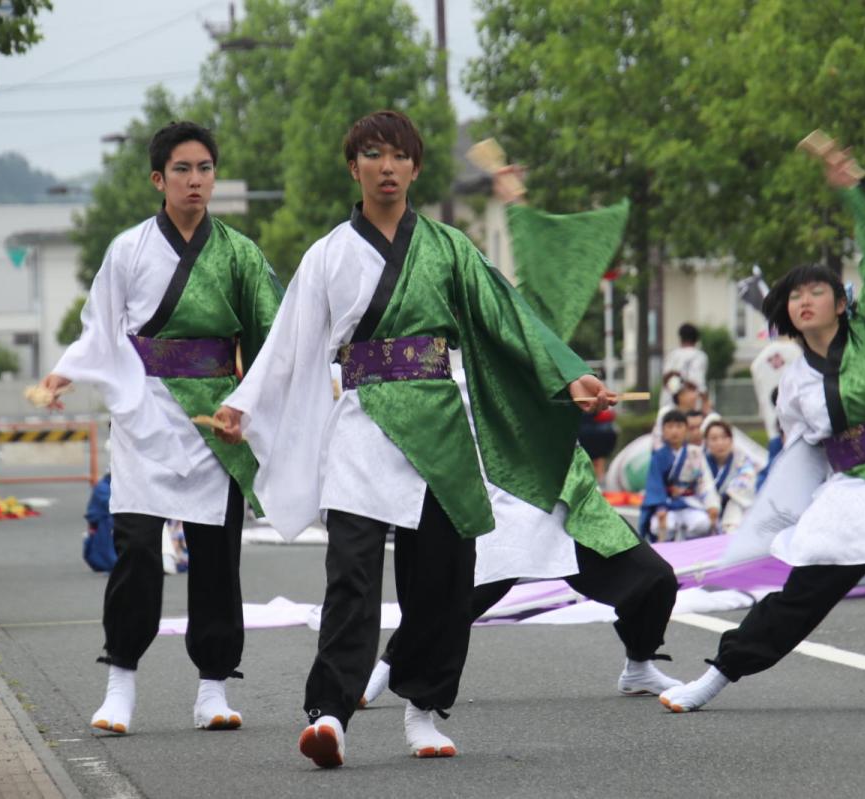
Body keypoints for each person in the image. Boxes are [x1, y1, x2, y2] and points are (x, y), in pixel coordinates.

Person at [214, 110, 618, 768]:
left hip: (440, 424)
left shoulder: (449, 247)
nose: (388, 165)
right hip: (363, 427)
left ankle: (424, 706)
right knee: (351, 575)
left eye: (400, 155)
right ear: (355, 167)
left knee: (444, 579)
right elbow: (288, 342)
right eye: (373, 153)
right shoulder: (328, 255)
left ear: (416, 168)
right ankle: (329, 715)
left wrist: (569, 374)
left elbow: (505, 314)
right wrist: (241, 402)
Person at [658, 148, 865, 714]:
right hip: (853, 495)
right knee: (800, 601)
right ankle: (717, 675)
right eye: (794, 295)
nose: (804, 300)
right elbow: (799, 453)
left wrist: (852, 193)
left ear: (840, 300)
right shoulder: (793, 381)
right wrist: (780, 514)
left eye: (816, 290)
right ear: (784, 310)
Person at [35, 121, 283, 736]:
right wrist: (67, 372)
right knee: (140, 550)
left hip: (214, 419)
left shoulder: (241, 254)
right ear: (157, 178)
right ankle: (121, 678)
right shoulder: (129, 249)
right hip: (146, 412)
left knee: (217, 557)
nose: (195, 180)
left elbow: (274, 340)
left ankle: (213, 688)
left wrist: (247, 406)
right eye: (181, 169)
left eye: (204, 168)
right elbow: (101, 328)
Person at [360, 359, 680, 710]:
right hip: (516, 502)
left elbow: (565, 378)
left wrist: (583, 388)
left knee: (656, 579)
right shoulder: (469, 359)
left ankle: (639, 665)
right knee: (457, 600)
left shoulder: (540, 349)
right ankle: (386, 667)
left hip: (573, 502)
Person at [639, 410, 719, 542]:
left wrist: (712, 504)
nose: (674, 431)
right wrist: (660, 508)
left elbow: (705, 481)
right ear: (663, 431)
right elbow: (655, 484)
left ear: (686, 430)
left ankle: (691, 547)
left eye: (679, 426)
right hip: (667, 504)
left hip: (689, 502)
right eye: (670, 427)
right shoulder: (658, 456)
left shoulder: (696, 453)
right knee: (660, 526)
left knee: (703, 523)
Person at [703, 417, 759, 533]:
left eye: (724, 437)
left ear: (731, 439)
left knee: (735, 504)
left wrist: (726, 495)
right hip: (708, 509)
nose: (720, 443)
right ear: (706, 442)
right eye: (714, 439)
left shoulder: (742, 459)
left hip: (733, 506)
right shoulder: (701, 461)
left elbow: (746, 482)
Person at [660, 323, 711, 411]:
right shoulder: (699, 356)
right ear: (696, 340)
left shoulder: (671, 355)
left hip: (667, 404)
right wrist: (705, 402)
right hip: (689, 408)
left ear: (680, 338)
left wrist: (675, 387)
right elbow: (697, 383)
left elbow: (666, 380)